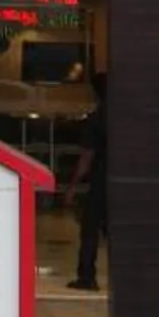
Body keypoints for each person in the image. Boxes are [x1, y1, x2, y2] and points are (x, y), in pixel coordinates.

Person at [71, 69, 108, 290]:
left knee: (90, 229)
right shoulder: (125, 119)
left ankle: (87, 277)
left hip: (100, 182)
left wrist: (72, 187)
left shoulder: (96, 119)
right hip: (122, 182)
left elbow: (87, 157)